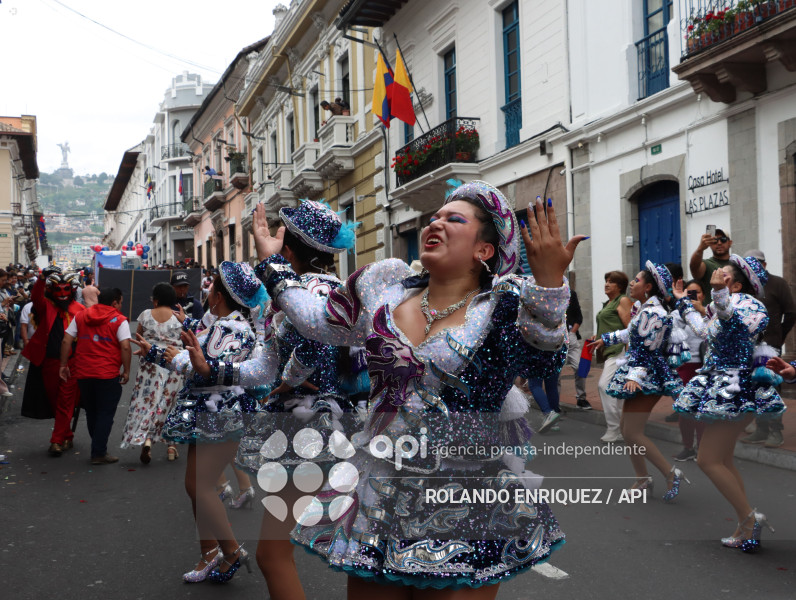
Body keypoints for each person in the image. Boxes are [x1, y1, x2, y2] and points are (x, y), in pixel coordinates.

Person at [240, 181, 583, 597]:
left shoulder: (504, 306)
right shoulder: (384, 286)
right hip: (383, 491)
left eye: (454, 219)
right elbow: (315, 320)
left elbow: (544, 361)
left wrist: (549, 286)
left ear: (484, 250)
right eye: (435, 217)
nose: (435, 223)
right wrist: (274, 265)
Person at [184, 199, 359, 600]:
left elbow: (309, 348)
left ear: (290, 248)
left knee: (274, 555)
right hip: (335, 428)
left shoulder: (302, 293)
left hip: (308, 429)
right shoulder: (335, 289)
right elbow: (264, 367)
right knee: (305, 552)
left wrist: (290, 379)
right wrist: (214, 371)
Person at [132, 262, 265, 583]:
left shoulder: (230, 328)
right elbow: (204, 347)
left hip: (219, 414)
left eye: (210, 289)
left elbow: (203, 364)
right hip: (208, 412)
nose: (205, 293)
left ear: (218, 296)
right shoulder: (228, 323)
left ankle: (231, 552)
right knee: (197, 486)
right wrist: (183, 332)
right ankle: (209, 554)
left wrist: (157, 353)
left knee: (198, 486)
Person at [673, 255, 785, 552]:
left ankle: (750, 519)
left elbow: (732, 323)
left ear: (735, 283)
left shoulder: (749, 307)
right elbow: (702, 329)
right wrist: (683, 302)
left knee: (707, 460)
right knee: (723, 460)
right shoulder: (722, 307)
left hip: (733, 389)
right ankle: (745, 521)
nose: (717, 272)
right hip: (720, 387)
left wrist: (719, 294)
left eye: (723, 273)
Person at [590, 262, 686, 500]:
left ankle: (671, 473)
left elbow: (647, 349)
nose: (631, 283)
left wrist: (634, 377)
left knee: (632, 432)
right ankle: (642, 478)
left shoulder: (653, 313)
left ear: (649, 287)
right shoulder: (644, 309)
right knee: (627, 430)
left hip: (647, 377)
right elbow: (630, 333)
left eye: (636, 280)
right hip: (641, 373)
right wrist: (606, 339)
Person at [59, 287, 132, 465]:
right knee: (105, 413)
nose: (121, 306)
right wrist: (127, 370)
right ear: (115, 302)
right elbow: (125, 347)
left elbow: (66, 340)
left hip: (83, 373)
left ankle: (98, 446)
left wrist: (63, 365)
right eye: (120, 302)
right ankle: (99, 452)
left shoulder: (82, 316)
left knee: (92, 411)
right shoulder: (119, 320)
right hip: (107, 375)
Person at [20, 267, 84, 456]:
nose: (62, 294)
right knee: (55, 400)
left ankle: (56, 441)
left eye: (66, 289)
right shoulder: (46, 306)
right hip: (48, 362)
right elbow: (36, 297)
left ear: (72, 290)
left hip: (72, 362)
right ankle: (67, 435)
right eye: (58, 289)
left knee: (65, 400)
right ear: (52, 290)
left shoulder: (80, 311)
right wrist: (41, 277)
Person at [120, 282, 183, 463]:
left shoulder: (146, 315)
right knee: (170, 404)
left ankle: (147, 439)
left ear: (155, 301)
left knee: (149, 402)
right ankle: (172, 446)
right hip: (173, 365)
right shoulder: (179, 318)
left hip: (149, 367)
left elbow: (139, 338)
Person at [740, 249, 795, 448]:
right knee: (754, 387)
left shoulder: (777, 283)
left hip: (770, 346)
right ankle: (761, 428)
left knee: (770, 387)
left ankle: (775, 431)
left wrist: (778, 337)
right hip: (748, 346)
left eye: (756, 263)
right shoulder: (745, 286)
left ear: (764, 264)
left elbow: (790, 313)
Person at [670, 280, 707, 461]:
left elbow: (706, 332)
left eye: (697, 293)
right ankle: (688, 447)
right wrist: (684, 309)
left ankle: (702, 447)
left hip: (704, 366)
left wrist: (700, 311)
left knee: (701, 409)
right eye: (689, 294)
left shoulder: (710, 312)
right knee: (685, 409)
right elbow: (673, 332)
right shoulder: (678, 313)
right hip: (685, 365)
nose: (694, 297)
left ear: (704, 295)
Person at [594, 271, 633, 442]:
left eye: (611, 282)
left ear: (620, 286)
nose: (606, 284)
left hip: (619, 351)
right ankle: (623, 428)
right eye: (606, 281)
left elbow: (630, 327)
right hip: (609, 351)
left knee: (604, 385)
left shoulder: (622, 300)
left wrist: (630, 354)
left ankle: (614, 429)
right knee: (616, 390)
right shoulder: (608, 302)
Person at [689, 227, 732, 297]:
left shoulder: (737, 264)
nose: (719, 243)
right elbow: (694, 268)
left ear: (730, 243)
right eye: (715, 240)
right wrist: (700, 248)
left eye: (723, 239)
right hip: (710, 307)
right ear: (710, 244)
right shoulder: (706, 264)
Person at [566, 287, 590, 409]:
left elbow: (578, 316)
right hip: (553, 337)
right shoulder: (546, 292)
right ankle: (553, 405)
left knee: (580, 366)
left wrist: (572, 332)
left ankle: (581, 398)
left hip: (570, 335)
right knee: (555, 373)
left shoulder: (570, 293)